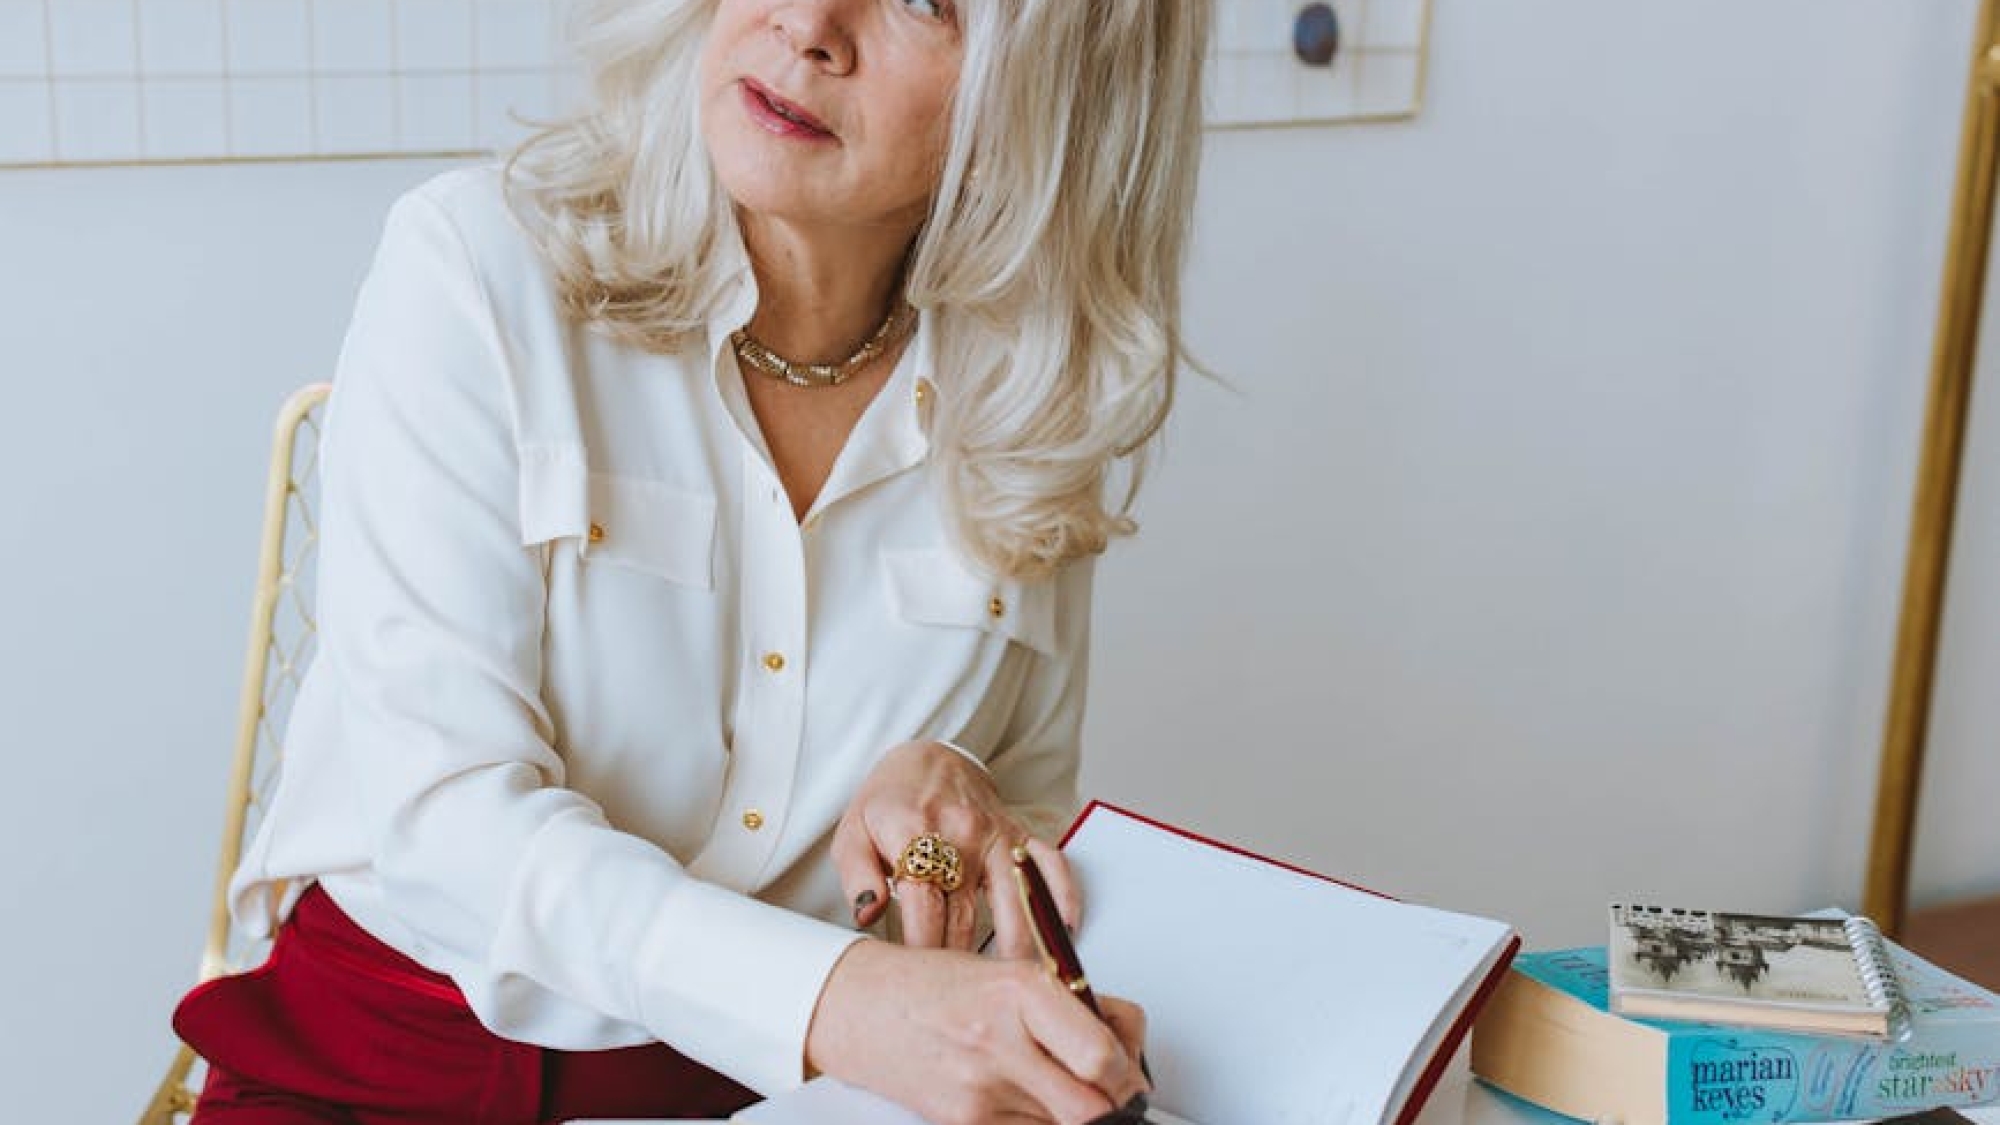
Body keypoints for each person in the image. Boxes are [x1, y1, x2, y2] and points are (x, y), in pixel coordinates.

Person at [171, 0, 1209, 1121]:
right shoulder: (473, 263)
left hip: (787, 1097)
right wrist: (853, 1004)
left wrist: (954, 806)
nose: (810, 25)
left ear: (1053, 97)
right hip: (389, 1063)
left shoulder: (1031, 399)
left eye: (924, 3)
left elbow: (1023, 837)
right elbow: (449, 831)